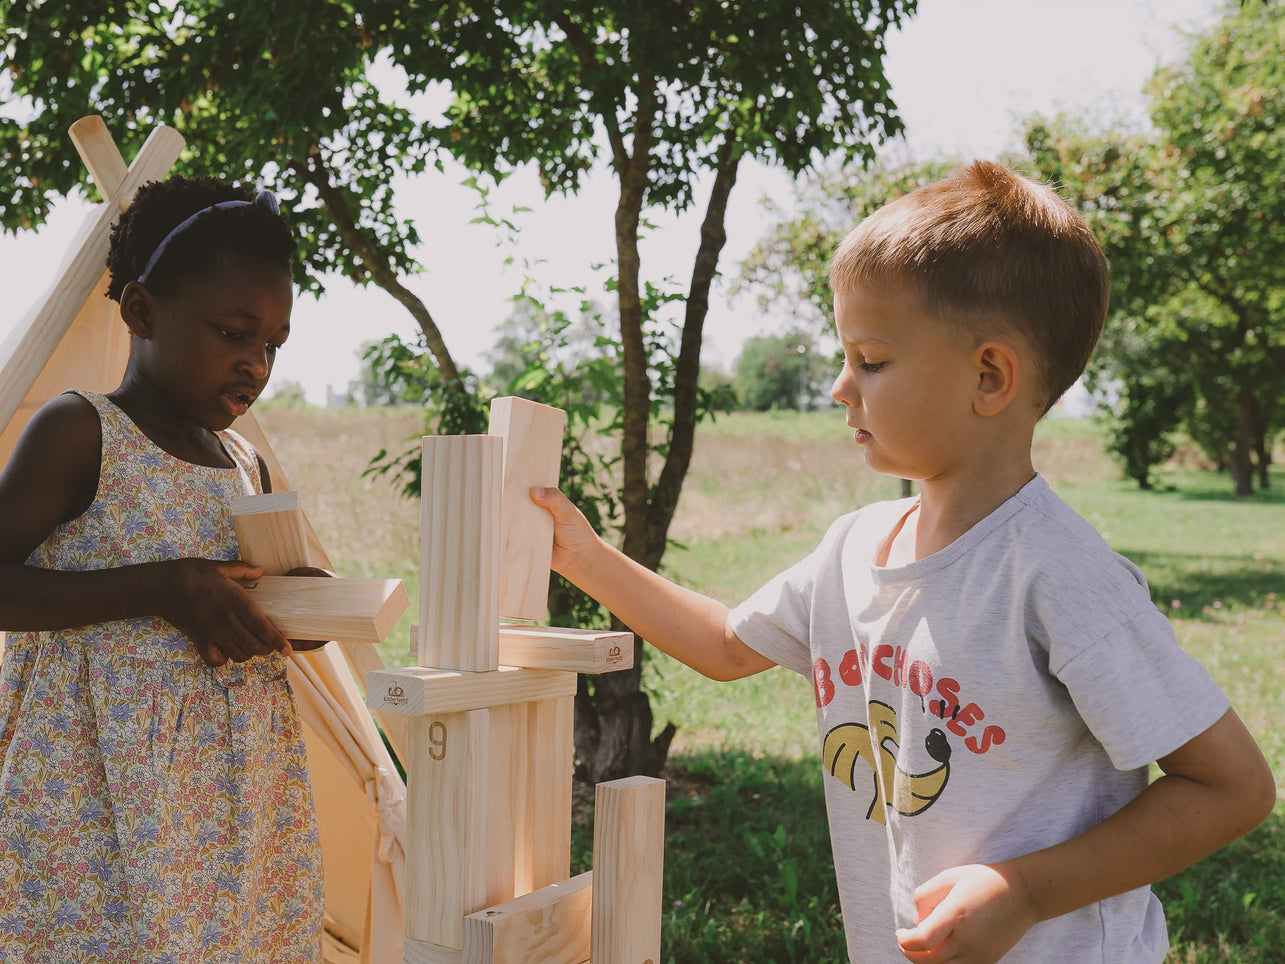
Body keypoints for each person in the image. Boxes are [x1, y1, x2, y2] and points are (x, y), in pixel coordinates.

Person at [531, 160, 1276, 963]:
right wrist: (586, 558)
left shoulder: (1057, 575)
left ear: (988, 376)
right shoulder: (851, 550)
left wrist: (1025, 890)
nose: (837, 386)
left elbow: (1230, 788)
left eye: (871, 360)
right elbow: (722, 646)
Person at [0, 176, 326, 962]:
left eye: (272, 345)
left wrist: (293, 610)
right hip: (91, 782)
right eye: (231, 332)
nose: (254, 363)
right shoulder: (83, 431)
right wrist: (160, 586)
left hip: (223, 792)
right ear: (142, 312)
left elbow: (238, 590)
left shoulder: (246, 460)